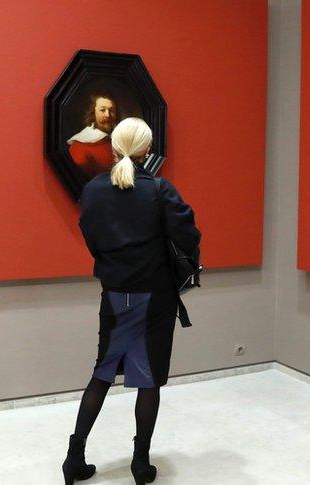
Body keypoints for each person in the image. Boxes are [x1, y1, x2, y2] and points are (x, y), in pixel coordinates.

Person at [62, 118, 200, 485]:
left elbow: (89, 235)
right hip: (155, 295)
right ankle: (141, 464)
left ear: (113, 148)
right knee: (148, 377)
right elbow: (188, 232)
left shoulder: (92, 189)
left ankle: (74, 457)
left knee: (102, 373)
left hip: (115, 293)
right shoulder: (157, 188)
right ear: (147, 151)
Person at [68, 93, 120, 178]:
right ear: (93, 113)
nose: (108, 115)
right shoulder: (79, 147)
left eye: (111, 110)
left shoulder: (117, 138)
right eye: (102, 110)